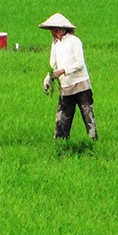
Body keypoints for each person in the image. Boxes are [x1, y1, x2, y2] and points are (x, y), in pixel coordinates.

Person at [40, 12, 98, 140]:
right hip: (65, 88)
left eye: (56, 30)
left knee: (88, 117)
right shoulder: (55, 45)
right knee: (62, 120)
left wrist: (62, 71)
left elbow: (80, 64)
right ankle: (60, 144)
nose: (54, 32)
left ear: (63, 29)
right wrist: (48, 79)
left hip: (81, 86)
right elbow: (52, 66)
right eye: (53, 30)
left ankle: (93, 142)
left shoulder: (74, 41)